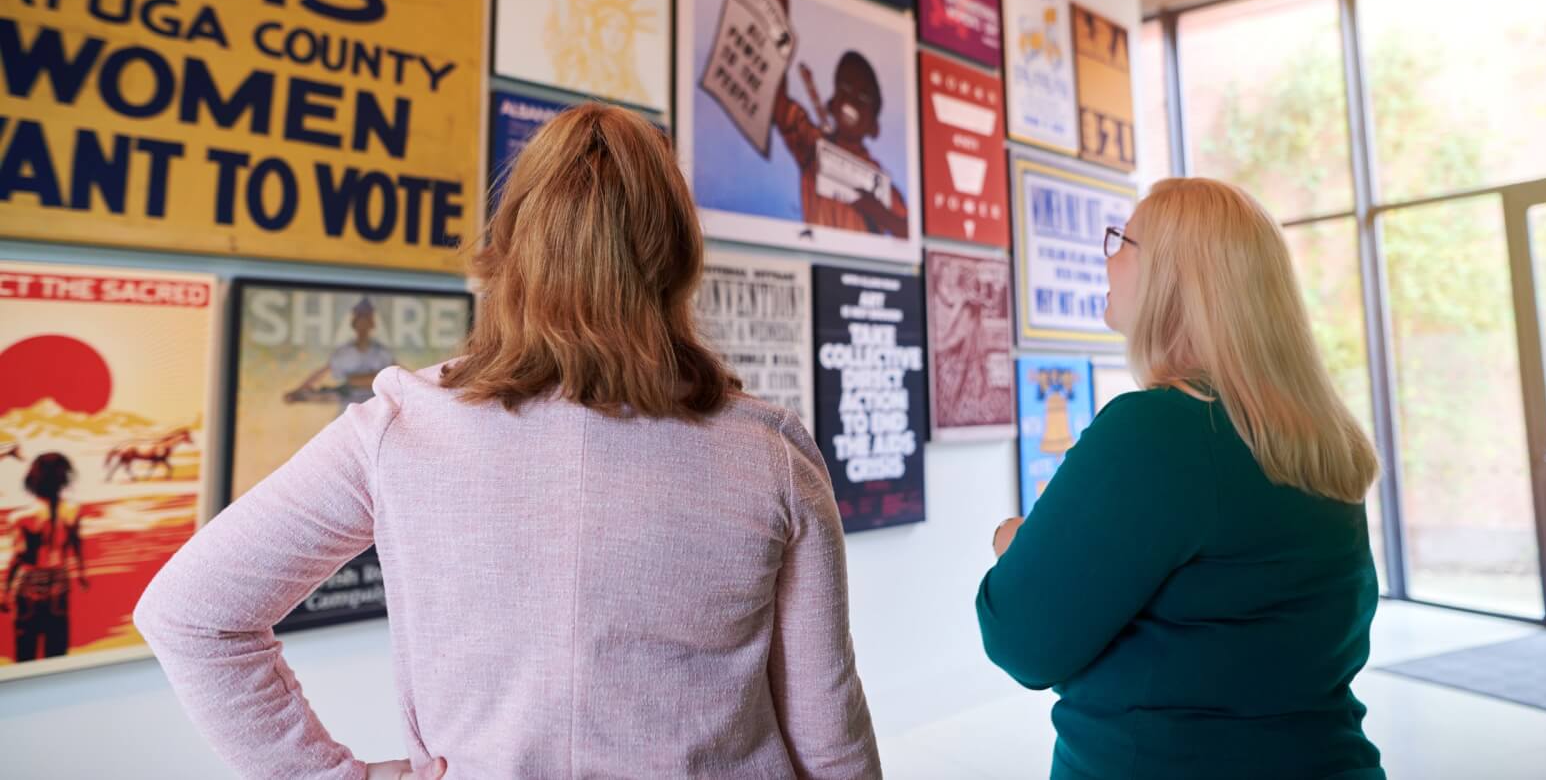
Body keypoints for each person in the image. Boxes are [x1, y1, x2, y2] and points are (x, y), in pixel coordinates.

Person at [135, 104, 880, 779]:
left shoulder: (400, 427)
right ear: (677, 258)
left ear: (511, 247)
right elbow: (828, 732)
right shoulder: (768, 453)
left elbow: (190, 611)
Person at [977, 177, 1385, 780]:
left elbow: (1021, 640)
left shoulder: (1155, 432)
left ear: (1175, 277)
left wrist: (1016, 545)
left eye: (1123, 240)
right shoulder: (1320, 436)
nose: (1108, 256)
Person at [773, 51, 910, 238]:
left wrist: (878, 212)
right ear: (832, 104)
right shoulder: (812, 145)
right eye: (845, 88)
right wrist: (778, 50)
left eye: (863, 98)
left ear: (874, 126)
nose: (851, 100)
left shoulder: (876, 180)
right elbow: (778, 104)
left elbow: (909, 232)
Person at [2, 453, 89, 662]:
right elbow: (76, 546)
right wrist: (81, 575)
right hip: (59, 580)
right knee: (57, 649)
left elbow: (18, 556)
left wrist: (4, 591)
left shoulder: (21, 518)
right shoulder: (72, 511)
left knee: (25, 649)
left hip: (29, 583)